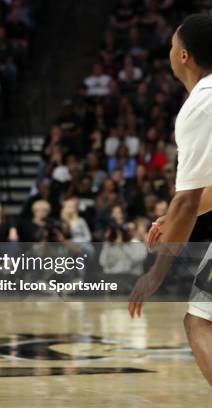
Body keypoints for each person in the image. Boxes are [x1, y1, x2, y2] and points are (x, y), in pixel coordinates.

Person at [129, 14, 212, 385]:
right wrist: (168, 219)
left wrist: (156, 273)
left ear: (184, 56)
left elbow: (188, 203)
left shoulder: (201, 104)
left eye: (172, 45)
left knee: (200, 323)